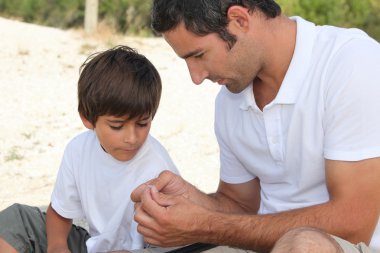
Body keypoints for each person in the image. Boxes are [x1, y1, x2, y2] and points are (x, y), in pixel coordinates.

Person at [131, 0, 380, 252]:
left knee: (305, 246)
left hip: (339, 245)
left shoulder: (351, 63)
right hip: (261, 245)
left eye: (198, 55)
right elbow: (240, 206)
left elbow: (355, 224)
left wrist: (204, 224)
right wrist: (191, 201)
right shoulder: (230, 99)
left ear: (239, 20)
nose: (196, 77)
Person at [0, 45, 178, 253]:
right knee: (16, 219)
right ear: (87, 118)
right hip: (93, 248)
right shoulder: (78, 150)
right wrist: (57, 247)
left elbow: (175, 241)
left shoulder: (159, 168)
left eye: (142, 123)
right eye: (117, 126)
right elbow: (60, 212)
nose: (132, 138)